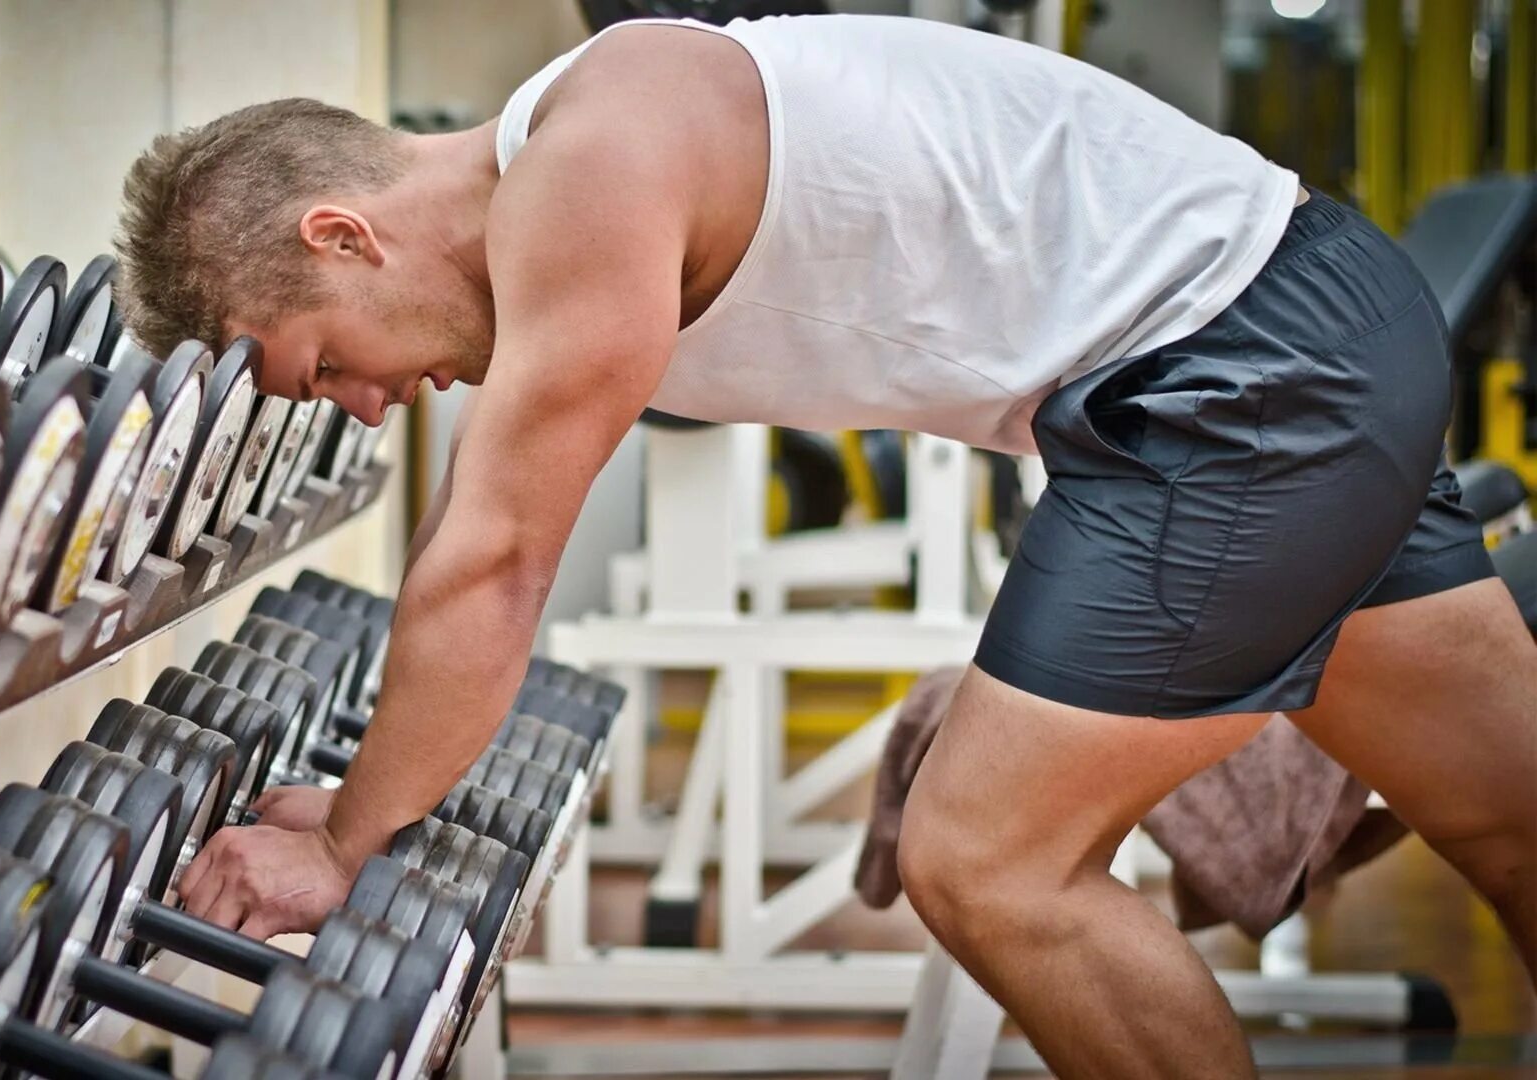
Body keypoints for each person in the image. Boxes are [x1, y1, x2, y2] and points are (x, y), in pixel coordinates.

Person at [115, 14, 1536, 1078]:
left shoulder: (588, 168)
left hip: (1232, 378)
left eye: (321, 367)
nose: (365, 406)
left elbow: (492, 559)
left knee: (986, 860)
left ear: (343, 235)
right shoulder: (594, 132)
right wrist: (362, 797)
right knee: (1507, 818)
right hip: (1317, 310)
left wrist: (352, 843)